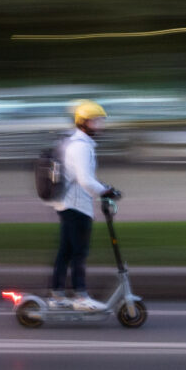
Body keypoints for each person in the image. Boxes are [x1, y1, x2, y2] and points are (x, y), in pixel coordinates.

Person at [49, 99, 121, 311]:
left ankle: (57, 296)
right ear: (83, 122)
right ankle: (80, 297)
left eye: (101, 121)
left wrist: (103, 187)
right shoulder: (81, 147)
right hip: (77, 205)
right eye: (96, 121)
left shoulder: (74, 143)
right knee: (79, 252)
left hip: (67, 203)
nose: (100, 125)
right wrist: (105, 192)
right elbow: (85, 180)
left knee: (66, 252)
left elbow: (85, 177)